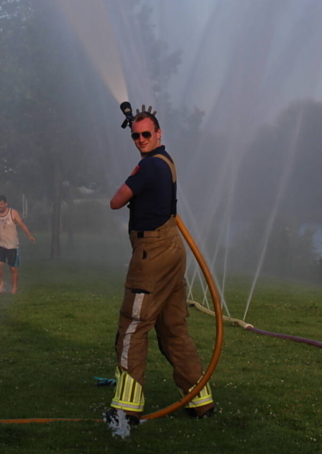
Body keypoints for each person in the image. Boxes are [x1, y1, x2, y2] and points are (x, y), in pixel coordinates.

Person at [104, 110, 214, 431]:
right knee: (173, 328)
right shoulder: (165, 161)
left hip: (152, 255)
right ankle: (199, 400)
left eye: (146, 135)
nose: (140, 140)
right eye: (136, 135)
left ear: (159, 133)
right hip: (172, 250)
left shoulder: (149, 165)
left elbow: (115, 201)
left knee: (133, 326)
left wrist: (132, 184)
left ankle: (126, 409)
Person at [0, 195, 35, 294]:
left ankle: (14, 287)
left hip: (12, 244)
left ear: (6, 204)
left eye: (1, 204)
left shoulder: (13, 213)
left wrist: (29, 235)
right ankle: (1, 283)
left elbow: (21, 224)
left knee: (13, 268)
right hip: (0, 243)